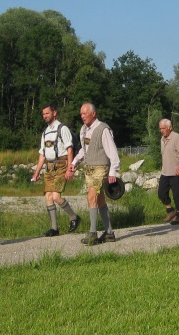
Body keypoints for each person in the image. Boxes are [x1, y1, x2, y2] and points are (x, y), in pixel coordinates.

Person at [66, 103, 121, 245]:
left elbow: (112, 151)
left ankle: (92, 233)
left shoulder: (103, 129)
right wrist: (74, 163)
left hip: (101, 168)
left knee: (91, 196)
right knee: (100, 199)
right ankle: (109, 233)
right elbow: (84, 151)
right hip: (89, 168)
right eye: (81, 114)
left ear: (93, 113)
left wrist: (113, 170)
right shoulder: (84, 130)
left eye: (85, 113)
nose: (82, 116)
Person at [31, 104, 81, 237]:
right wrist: (36, 173)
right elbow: (42, 154)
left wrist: (70, 168)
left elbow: (69, 149)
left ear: (54, 113)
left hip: (61, 165)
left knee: (56, 197)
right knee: (48, 196)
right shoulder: (45, 132)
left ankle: (74, 217)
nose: (45, 116)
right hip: (49, 166)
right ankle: (54, 228)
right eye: (43, 114)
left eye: (47, 113)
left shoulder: (62, 129)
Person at [158, 118, 179, 224]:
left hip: (176, 171)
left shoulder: (177, 137)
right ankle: (170, 211)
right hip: (165, 172)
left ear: (170, 127)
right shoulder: (162, 139)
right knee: (161, 193)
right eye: (160, 128)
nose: (162, 130)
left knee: (177, 194)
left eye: (163, 128)